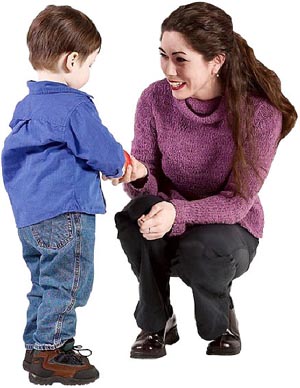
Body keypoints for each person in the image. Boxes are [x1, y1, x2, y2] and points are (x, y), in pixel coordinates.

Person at [114, 1, 297, 358]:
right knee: (134, 219)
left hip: (230, 227)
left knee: (201, 248)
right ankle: (156, 322)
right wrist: (139, 175)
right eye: (163, 55)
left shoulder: (259, 112)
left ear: (216, 61)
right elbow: (147, 188)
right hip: (168, 217)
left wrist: (175, 213)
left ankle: (221, 320)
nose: (169, 68)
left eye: (181, 58)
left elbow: (237, 201)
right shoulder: (153, 99)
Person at [1, 5, 127, 385]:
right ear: (72, 60)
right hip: (65, 213)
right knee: (70, 281)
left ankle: (36, 347)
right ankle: (53, 350)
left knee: (44, 282)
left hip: (30, 216)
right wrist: (120, 167)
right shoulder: (74, 106)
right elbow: (101, 149)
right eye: (90, 63)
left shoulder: (26, 107)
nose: (88, 72)